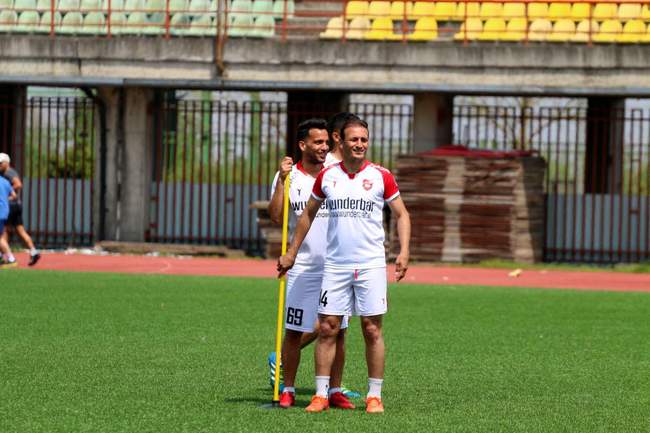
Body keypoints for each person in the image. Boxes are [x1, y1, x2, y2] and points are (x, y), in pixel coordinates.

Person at [278, 118, 411, 414]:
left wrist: (404, 251)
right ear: (342, 142)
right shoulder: (328, 176)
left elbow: (402, 214)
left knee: (371, 329)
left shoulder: (381, 176)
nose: (360, 144)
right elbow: (307, 214)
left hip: (371, 265)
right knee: (328, 328)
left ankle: (374, 396)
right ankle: (320, 395)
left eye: (364, 139)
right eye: (354, 139)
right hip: (335, 266)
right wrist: (292, 252)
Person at [267, 118, 355, 409]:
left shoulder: (337, 173)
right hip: (303, 266)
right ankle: (288, 388)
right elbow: (277, 217)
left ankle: (334, 390)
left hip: (336, 266)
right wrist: (281, 181)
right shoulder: (289, 176)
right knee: (294, 330)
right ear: (302, 145)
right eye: (317, 142)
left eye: (326, 142)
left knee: (338, 330)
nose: (324, 147)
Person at [0, 153, 40, 266]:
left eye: (1, 163)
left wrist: (5, 194)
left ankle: (6, 257)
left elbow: (18, 184)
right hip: (16, 204)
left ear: (6, 163)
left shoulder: (8, 172)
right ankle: (33, 251)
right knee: (20, 231)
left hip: (10, 206)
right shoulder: (6, 173)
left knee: (3, 232)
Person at [0, 172, 16, 268]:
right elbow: (14, 195)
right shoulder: (5, 181)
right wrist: (4, 199)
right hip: (4, 212)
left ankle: (11, 259)